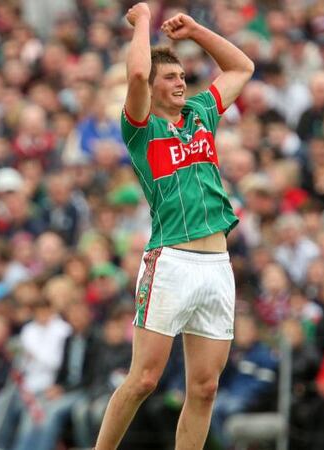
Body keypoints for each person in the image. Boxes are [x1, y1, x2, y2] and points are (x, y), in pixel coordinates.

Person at [95, 4, 254, 449]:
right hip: (172, 261)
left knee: (204, 387)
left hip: (217, 264)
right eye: (170, 77)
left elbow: (242, 66)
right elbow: (136, 77)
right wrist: (143, 20)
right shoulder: (141, 129)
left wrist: (198, 30)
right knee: (144, 378)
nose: (181, 81)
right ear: (153, 88)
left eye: (182, 75)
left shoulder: (203, 113)